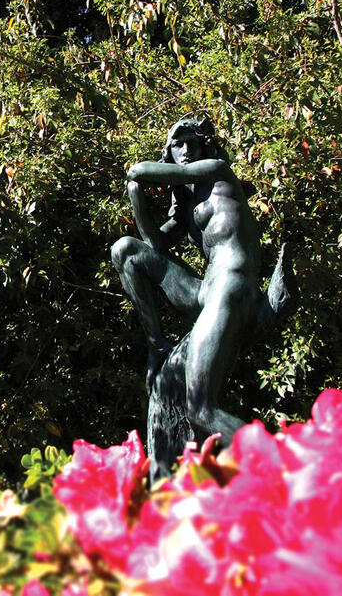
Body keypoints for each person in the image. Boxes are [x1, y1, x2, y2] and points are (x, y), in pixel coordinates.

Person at [111, 118, 263, 443]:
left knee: (201, 411)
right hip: (204, 292)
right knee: (125, 250)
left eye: (190, 142)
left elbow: (137, 170)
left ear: (203, 144)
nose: (184, 150)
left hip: (231, 284)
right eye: (177, 145)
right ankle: (157, 344)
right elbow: (153, 247)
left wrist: (136, 180)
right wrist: (135, 195)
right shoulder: (188, 208)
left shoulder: (218, 171)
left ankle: (278, 462)